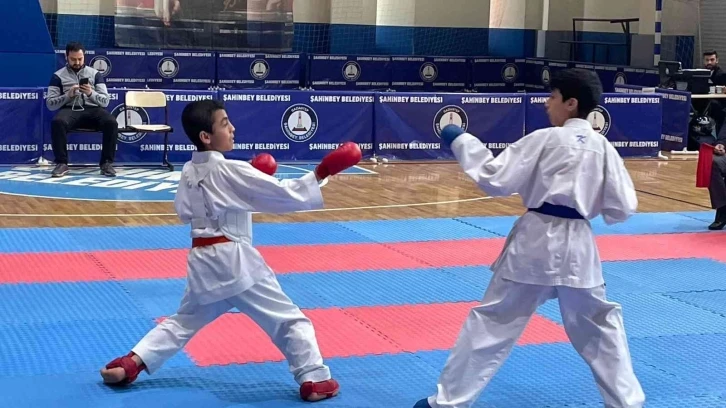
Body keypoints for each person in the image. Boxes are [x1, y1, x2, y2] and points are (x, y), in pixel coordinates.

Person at [100, 99, 362, 402]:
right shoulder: (229, 170)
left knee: (183, 321)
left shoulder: (188, 171)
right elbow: (285, 194)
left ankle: (132, 362)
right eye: (225, 124)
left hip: (202, 263)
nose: (233, 128)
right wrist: (322, 172)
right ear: (206, 137)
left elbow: (185, 211)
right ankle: (315, 378)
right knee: (289, 320)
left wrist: (246, 183)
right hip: (236, 264)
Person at [414, 69, 645, 408]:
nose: (546, 103)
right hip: (579, 248)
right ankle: (627, 403)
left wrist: (461, 141)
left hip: (535, 244)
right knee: (600, 327)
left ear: (571, 103)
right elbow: (622, 208)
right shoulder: (604, 149)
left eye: (552, 96)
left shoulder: (546, 139)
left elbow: (494, 178)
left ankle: (447, 403)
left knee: (494, 322)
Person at [46, 41, 118, 178]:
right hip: (70, 109)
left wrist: (91, 93)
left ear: (84, 56)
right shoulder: (57, 76)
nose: (77, 62)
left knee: (111, 122)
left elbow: (105, 101)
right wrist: (68, 95)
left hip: (93, 109)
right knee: (58, 122)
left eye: (80, 59)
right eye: (73, 59)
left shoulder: (95, 74)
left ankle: (106, 163)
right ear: (66, 56)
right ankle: (61, 163)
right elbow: (50, 104)